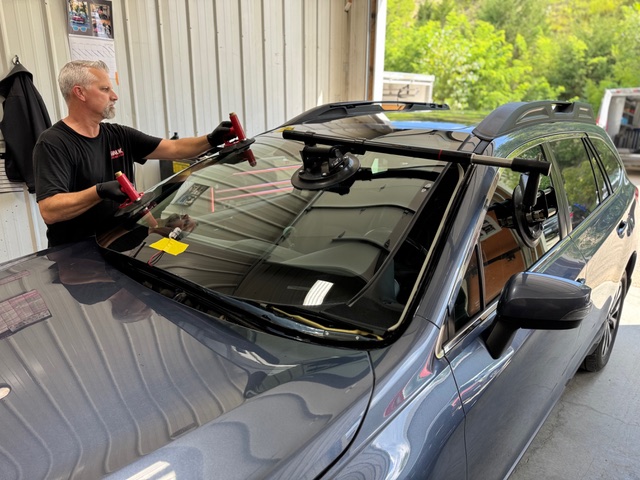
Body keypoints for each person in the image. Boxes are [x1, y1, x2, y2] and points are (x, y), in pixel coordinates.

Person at [33, 59, 232, 247]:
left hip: (123, 251)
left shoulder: (119, 135)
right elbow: (50, 210)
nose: (114, 96)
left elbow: (175, 148)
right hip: (78, 257)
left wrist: (210, 139)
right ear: (80, 93)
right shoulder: (53, 143)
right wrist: (99, 192)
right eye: (105, 89)